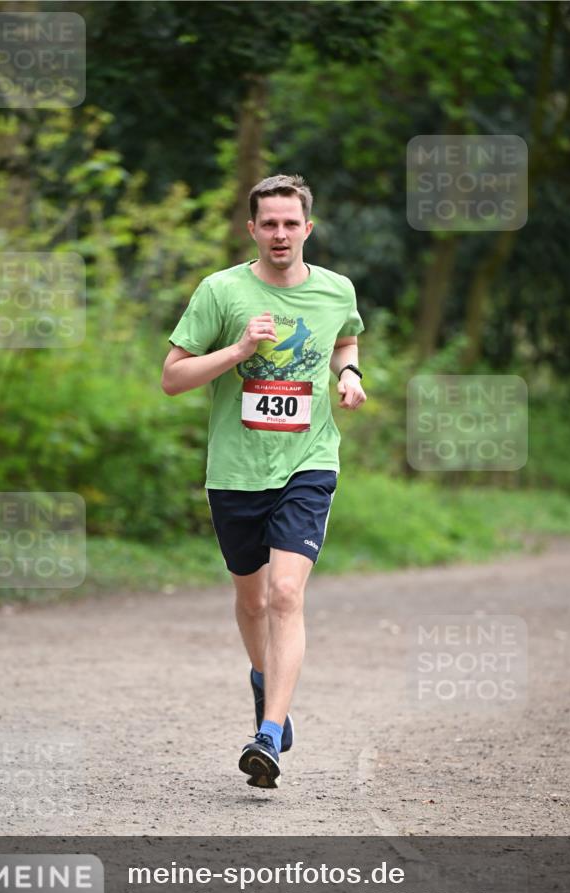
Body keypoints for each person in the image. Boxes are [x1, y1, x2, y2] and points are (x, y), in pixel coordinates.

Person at [161, 174, 366, 789]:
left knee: (284, 595)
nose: (280, 233)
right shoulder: (221, 292)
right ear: (252, 229)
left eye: (290, 223)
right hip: (235, 470)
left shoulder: (336, 290)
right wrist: (237, 350)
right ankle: (264, 679)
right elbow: (173, 378)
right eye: (268, 224)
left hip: (308, 462)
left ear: (308, 227)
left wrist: (350, 373)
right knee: (251, 601)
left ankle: (270, 734)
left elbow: (345, 334)